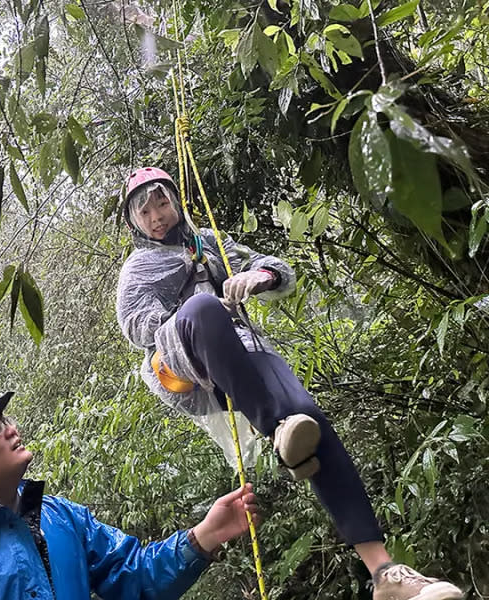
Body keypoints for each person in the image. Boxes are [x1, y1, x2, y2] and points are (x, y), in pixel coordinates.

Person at [115, 167, 463, 600]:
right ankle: (276, 427)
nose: (156, 217)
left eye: (162, 204)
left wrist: (258, 278)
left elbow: (276, 268)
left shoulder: (208, 243)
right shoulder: (138, 267)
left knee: (308, 417)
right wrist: (194, 308)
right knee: (204, 308)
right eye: (145, 212)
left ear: (176, 201)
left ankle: (385, 573)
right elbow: (134, 325)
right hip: (182, 361)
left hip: (240, 352)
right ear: (135, 222)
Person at [0, 391, 261, 599]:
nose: (9, 429)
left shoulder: (62, 517)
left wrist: (205, 536)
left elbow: (130, 574)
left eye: (4, 421)